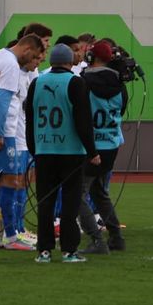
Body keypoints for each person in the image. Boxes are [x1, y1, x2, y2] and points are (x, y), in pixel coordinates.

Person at [25, 43, 100, 264]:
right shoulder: (76, 83)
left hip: (44, 150)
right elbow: (83, 121)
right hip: (70, 151)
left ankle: (44, 250)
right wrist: (92, 151)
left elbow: (30, 118)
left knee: (45, 202)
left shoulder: (37, 83)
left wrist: (33, 148)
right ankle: (69, 250)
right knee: (70, 203)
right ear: (69, 62)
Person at [0, 32, 44, 250]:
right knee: (9, 182)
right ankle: (11, 237)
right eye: (36, 57)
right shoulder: (12, 66)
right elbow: (2, 102)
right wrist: (0, 134)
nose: (36, 63)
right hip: (3, 132)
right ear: (27, 49)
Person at [77, 40, 128, 254]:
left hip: (90, 147)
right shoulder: (120, 86)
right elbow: (122, 110)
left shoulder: (83, 82)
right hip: (111, 145)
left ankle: (97, 240)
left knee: (77, 195)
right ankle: (116, 237)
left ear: (91, 58)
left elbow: (78, 114)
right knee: (99, 192)